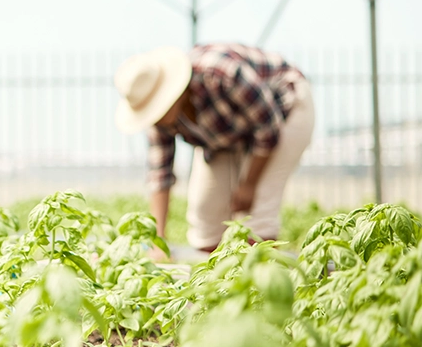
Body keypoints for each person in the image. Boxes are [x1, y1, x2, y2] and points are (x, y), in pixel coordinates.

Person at [113, 44, 315, 253]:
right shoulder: (160, 120)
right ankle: (218, 282)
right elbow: (160, 174)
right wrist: (158, 242)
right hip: (226, 134)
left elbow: (268, 127)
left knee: (256, 211)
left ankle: (257, 279)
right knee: (205, 213)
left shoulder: (221, 74)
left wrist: (249, 184)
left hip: (284, 109)